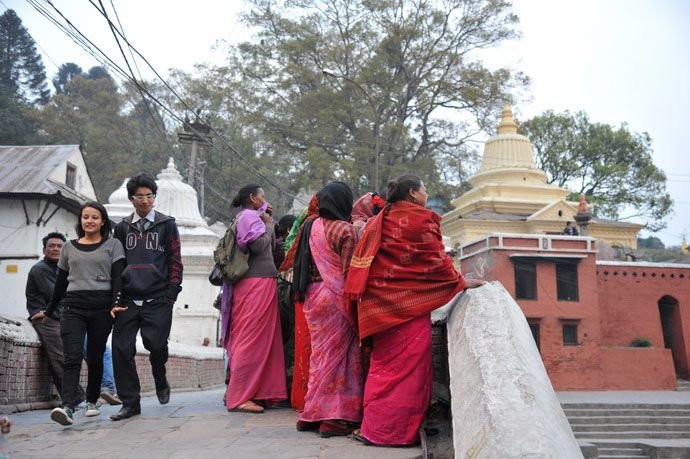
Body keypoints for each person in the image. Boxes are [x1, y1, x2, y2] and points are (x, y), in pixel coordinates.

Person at [345, 174, 484, 446]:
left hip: (378, 307)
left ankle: (375, 428)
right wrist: (461, 282)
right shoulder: (420, 219)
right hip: (408, 309)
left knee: (382, 368)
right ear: (412, 193)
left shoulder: (378, 220)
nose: (426, 194)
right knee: (409, 373)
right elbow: (436, 262)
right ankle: (393, 433)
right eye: (425, 189)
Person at [110, 174, 183, 421]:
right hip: (129, 298)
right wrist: (116, 298)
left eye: (149, 196)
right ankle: (130, 403)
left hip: (159, 297)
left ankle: (160, 377)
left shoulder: (167, 224)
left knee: (156, 345)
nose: (145, 200)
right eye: (140, 196)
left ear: (154, 197)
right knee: (121, 348)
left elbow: (175, 259)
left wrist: (172, 291)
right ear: (132, 199)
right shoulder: (121, 228)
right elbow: (117, 264)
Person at [45, 202, 125, 426]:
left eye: (94, 217)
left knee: (95, 356)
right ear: (81, 221)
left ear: (102, 221)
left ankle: (92, 400)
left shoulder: (113, 245)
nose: (89, 221)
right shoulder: (68, 247)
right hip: (73, 307)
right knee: (71, 357)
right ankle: (68, 406)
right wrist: (49, 311)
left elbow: (118, 278)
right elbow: (60, 284)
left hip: (102, 307)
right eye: (85, 217)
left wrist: (115, 304)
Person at [293, 182, 362, 437]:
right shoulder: (346, 231)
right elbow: (349, 273)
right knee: (341, 357)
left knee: (320, 356)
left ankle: (311, 413)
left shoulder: (310, 226)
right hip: (335, 297)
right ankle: (335, 417)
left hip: (311, 296)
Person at [224, 184, 286, 413]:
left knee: (264, 340)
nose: (265, 199)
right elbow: (258, 246)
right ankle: (240, 396)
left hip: (262, 281)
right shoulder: (248, 217)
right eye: (262, 195)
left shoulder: (253, 216)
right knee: (249, 339)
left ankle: (260, 391)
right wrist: (269, 225)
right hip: (254, 283)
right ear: (252, 198)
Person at [279, 195, 319, 412]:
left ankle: (301, 395)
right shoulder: (316, 226)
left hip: (299, 292)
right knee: (305, 345)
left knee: (301, 344)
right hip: (312, 293)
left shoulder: (302, 227)